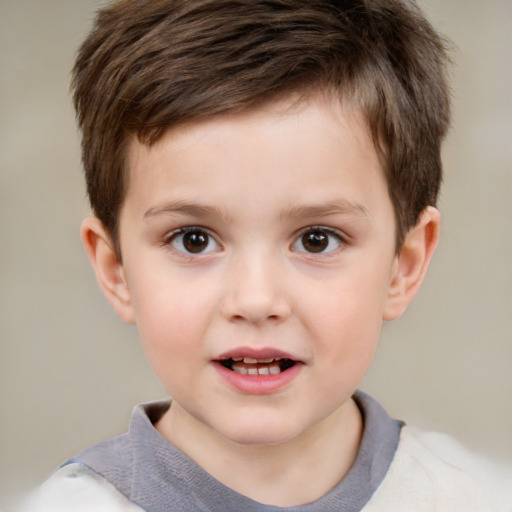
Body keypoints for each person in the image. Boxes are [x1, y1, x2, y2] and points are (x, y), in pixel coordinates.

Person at [22, 0, 512, 510]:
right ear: (115, 270)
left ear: (403, 265)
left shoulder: (474, 497)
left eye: (316, 239)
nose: (256, 300)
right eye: (194, 239)